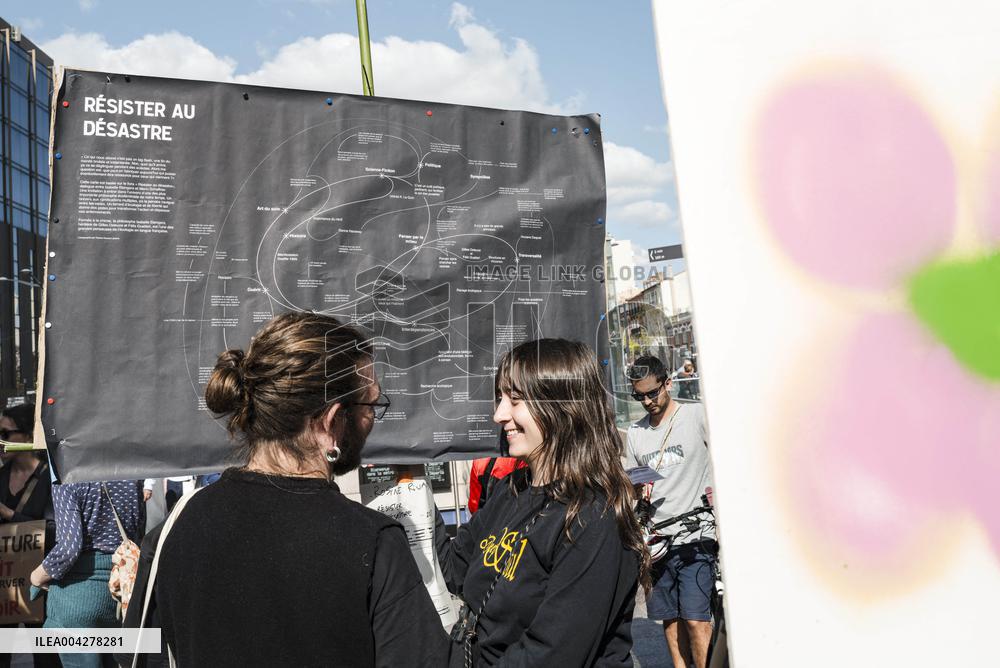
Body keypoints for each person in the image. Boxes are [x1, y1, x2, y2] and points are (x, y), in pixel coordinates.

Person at [126, 311, 448, 667]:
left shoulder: (177, 526)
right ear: (330, 421)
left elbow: (138, 654)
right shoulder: (374, 542)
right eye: (370, 404)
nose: (373, 418)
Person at [436, 338, 647, 666]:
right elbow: (454, 569)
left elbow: (551, 653)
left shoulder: (594, 517)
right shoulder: (510, 490)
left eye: (516, 400)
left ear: (561, 406)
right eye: (500, 398)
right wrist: (411, 487)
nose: (498, 414)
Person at [625, 355, 716, 668]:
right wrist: (635, 490)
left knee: (696, 620)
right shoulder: (635, 434)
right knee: (671, 618)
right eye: (640, 396)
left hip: (697, 535)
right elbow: (632, 482)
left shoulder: (697, 416)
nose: (647, 401)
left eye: (653, 393)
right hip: (657, 542)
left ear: (668, 383)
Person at [29, 479, 143, 668]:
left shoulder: (67, 481)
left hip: (76, 601)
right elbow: (136, 533)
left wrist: (37, 576)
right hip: (119, 593)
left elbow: (69, 548)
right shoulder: (132, 478)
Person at [0, 404, 59, 668]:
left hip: (38, 582)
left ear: (26, 436)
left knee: (45, 655)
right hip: (5, 583)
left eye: (5, 432)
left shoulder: (49, 478)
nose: (0, 440)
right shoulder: (1, 475)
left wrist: (10, 515)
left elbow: (54, 529)